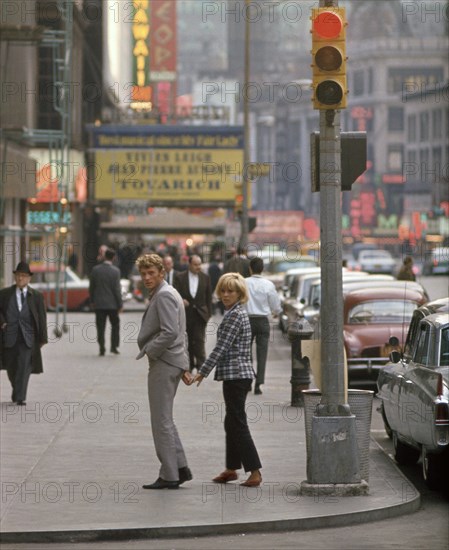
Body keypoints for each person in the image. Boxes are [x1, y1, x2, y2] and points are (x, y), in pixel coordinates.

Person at [192, 273, 262, 487]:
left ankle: (255, 471)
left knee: (237, 422)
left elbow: (221, 348)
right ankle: (231, 469)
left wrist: (201, 372)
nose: (225, 294)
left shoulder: (235, 315)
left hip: (237, 375)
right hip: (238, 375)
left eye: (230, 291)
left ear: (240, 293)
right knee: (231, 421)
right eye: (222, 290)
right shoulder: (236, 313)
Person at [135, 253, 193, 490]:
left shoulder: (165, 295)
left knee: (161, 421)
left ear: (162, 273)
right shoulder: (166, 293)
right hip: (172, 360)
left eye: (151, 273)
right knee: (165, 418)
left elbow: (171, 331)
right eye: (143, 273)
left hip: (165, 362)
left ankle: (169, 474)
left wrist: (151, 350)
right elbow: (182, 332)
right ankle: (179, 468)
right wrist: (185, 363)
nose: (147, 277)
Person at [0, 262, 48, 405]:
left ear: (29, 278)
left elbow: (41, 317)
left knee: (24, 366)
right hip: (9, 336)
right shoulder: (4, 294)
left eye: (23, 276)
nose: (20, 279)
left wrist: (43, 338)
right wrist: (2, 322)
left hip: (28, 337)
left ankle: (20, 397)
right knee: (12, 367)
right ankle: (18, 390)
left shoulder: (37, 296)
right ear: (15, 277)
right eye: (18, 276)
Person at [245, 257, 282, 395]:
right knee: (262, 353)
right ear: (262, 269)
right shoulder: (268, 284)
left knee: (245, 353)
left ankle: (248, 379)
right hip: (262, 321)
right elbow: (275, 304)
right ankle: (258, 384)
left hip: (247, 320)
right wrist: (277, 312)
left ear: (250, 268)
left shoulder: (243, 282)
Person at [174, 255, 212, 372]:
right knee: (187, 341)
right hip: (186, 314)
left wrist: (208, 313)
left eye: (199, 264)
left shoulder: (205, 278)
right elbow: (174, 294)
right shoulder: (180, 277)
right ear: (189, 264)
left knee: (199, 340)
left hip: (200, 314)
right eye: (195, 264)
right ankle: (188, 366)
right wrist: (181, 300)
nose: (198, 267)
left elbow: (208, 297)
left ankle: (201, 366)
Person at [89, 248, 123, 356]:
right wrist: (120, 304)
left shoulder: (95, 270)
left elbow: (91, 287)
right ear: (113, 258)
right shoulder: (116, 271)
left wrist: (92, 301)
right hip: (112, 305)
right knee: (115, 325)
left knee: (100, 327)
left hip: (99, 304)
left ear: (104, 256)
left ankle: (101, 348)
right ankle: (114, 347)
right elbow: (117, 289)